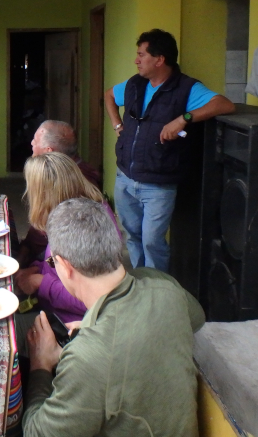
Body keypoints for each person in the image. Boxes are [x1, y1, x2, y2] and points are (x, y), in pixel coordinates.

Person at [22, 197, 205, 436]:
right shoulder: (164, 286)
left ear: (65, 266)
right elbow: (196, 317)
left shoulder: (88, 358)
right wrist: (92, 327)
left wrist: (40, 365)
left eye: (51, 262)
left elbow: (36, 432)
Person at [105, 28, 235, 272]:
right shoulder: (135, 84)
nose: (137, 60)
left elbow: (224, 105)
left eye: (141, 54)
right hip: (125, 176)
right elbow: (109, 95)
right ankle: (139, 283)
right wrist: (116, 123)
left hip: (158, 184)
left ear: (159, 59)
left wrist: (184, 118)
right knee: (132, 236)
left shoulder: (186, 88)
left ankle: (160, 293)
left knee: (152, 242)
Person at [14, 153, 118, 356]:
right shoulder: (74, 211)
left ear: (45, 193)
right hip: (54, 309)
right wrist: (37, 268)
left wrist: (40, 283)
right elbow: (53, 262)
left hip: (70, 324)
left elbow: (93, 299)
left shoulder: (84, 228)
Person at [19, 120, 102, 265]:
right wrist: (26, 246)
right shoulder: (70, 169)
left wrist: (34, 268)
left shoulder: (72, 184)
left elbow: (71, 255)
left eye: (36, 140)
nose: (31, 143)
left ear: (49, 151)